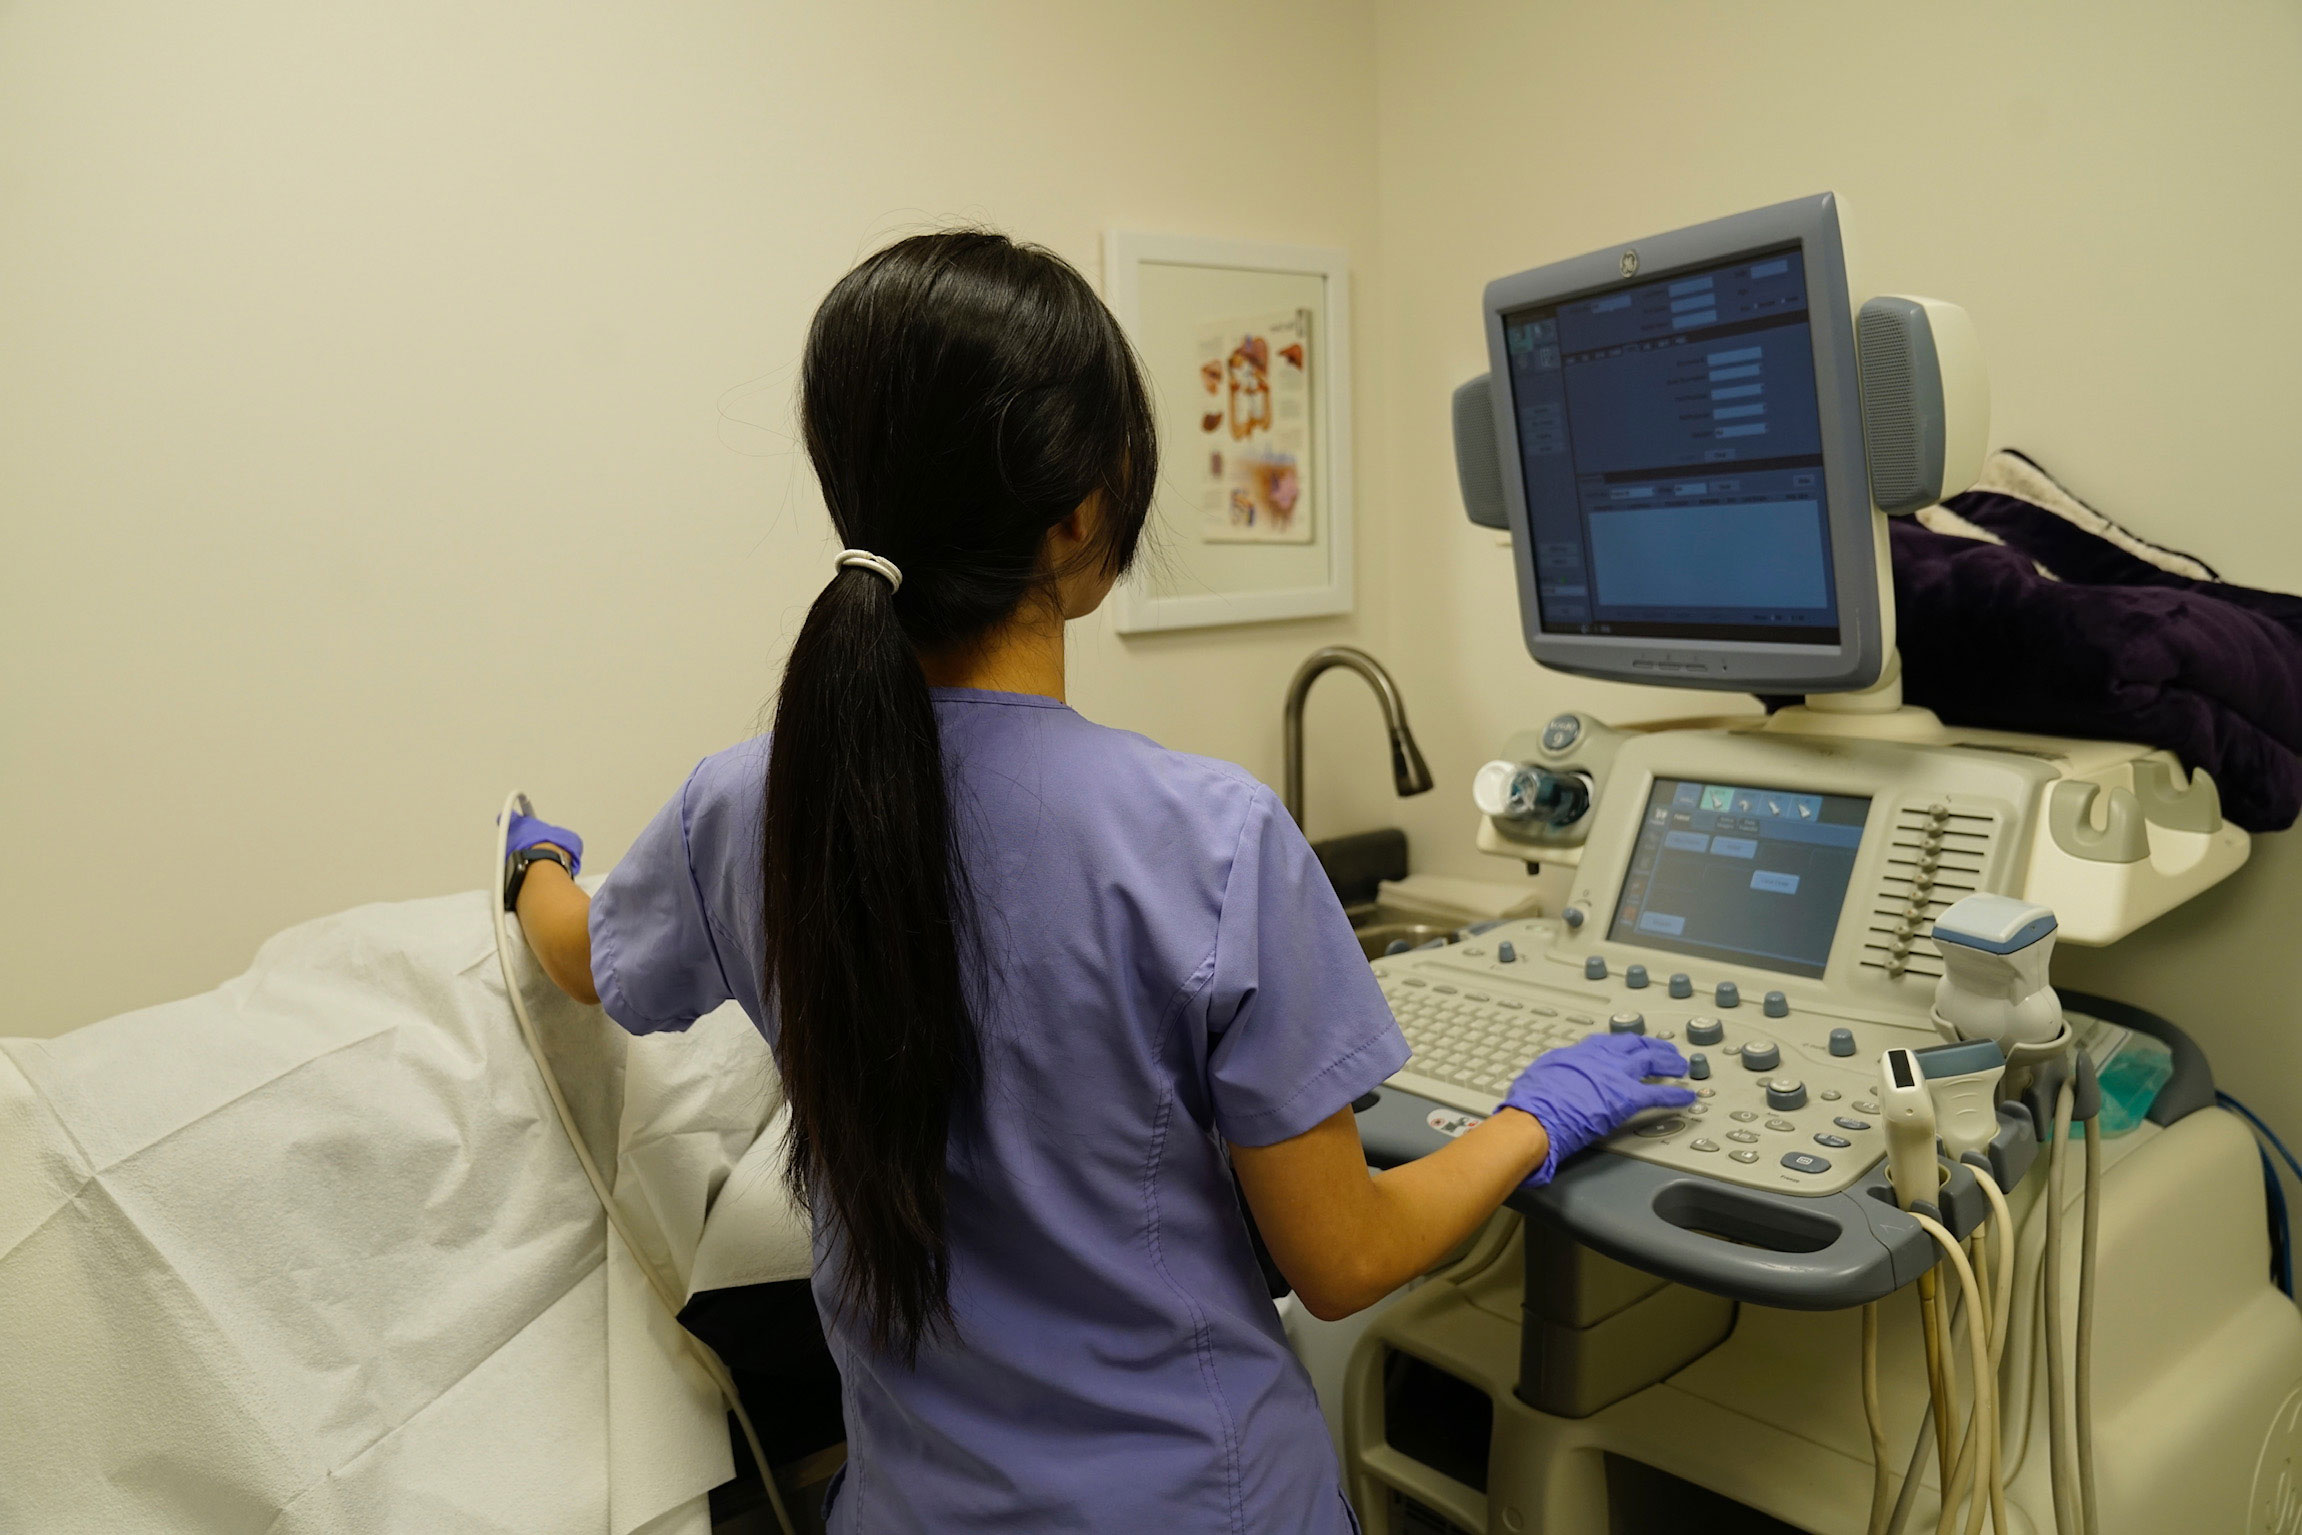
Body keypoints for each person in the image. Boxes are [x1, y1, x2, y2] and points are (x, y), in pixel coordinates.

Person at [504, 230, 1693, 1533]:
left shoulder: (743, 807)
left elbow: (577, 955)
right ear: (1084, 513)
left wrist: (535, 865)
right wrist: (1535, 1118)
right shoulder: (1210, 840)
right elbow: (1344, 1261)